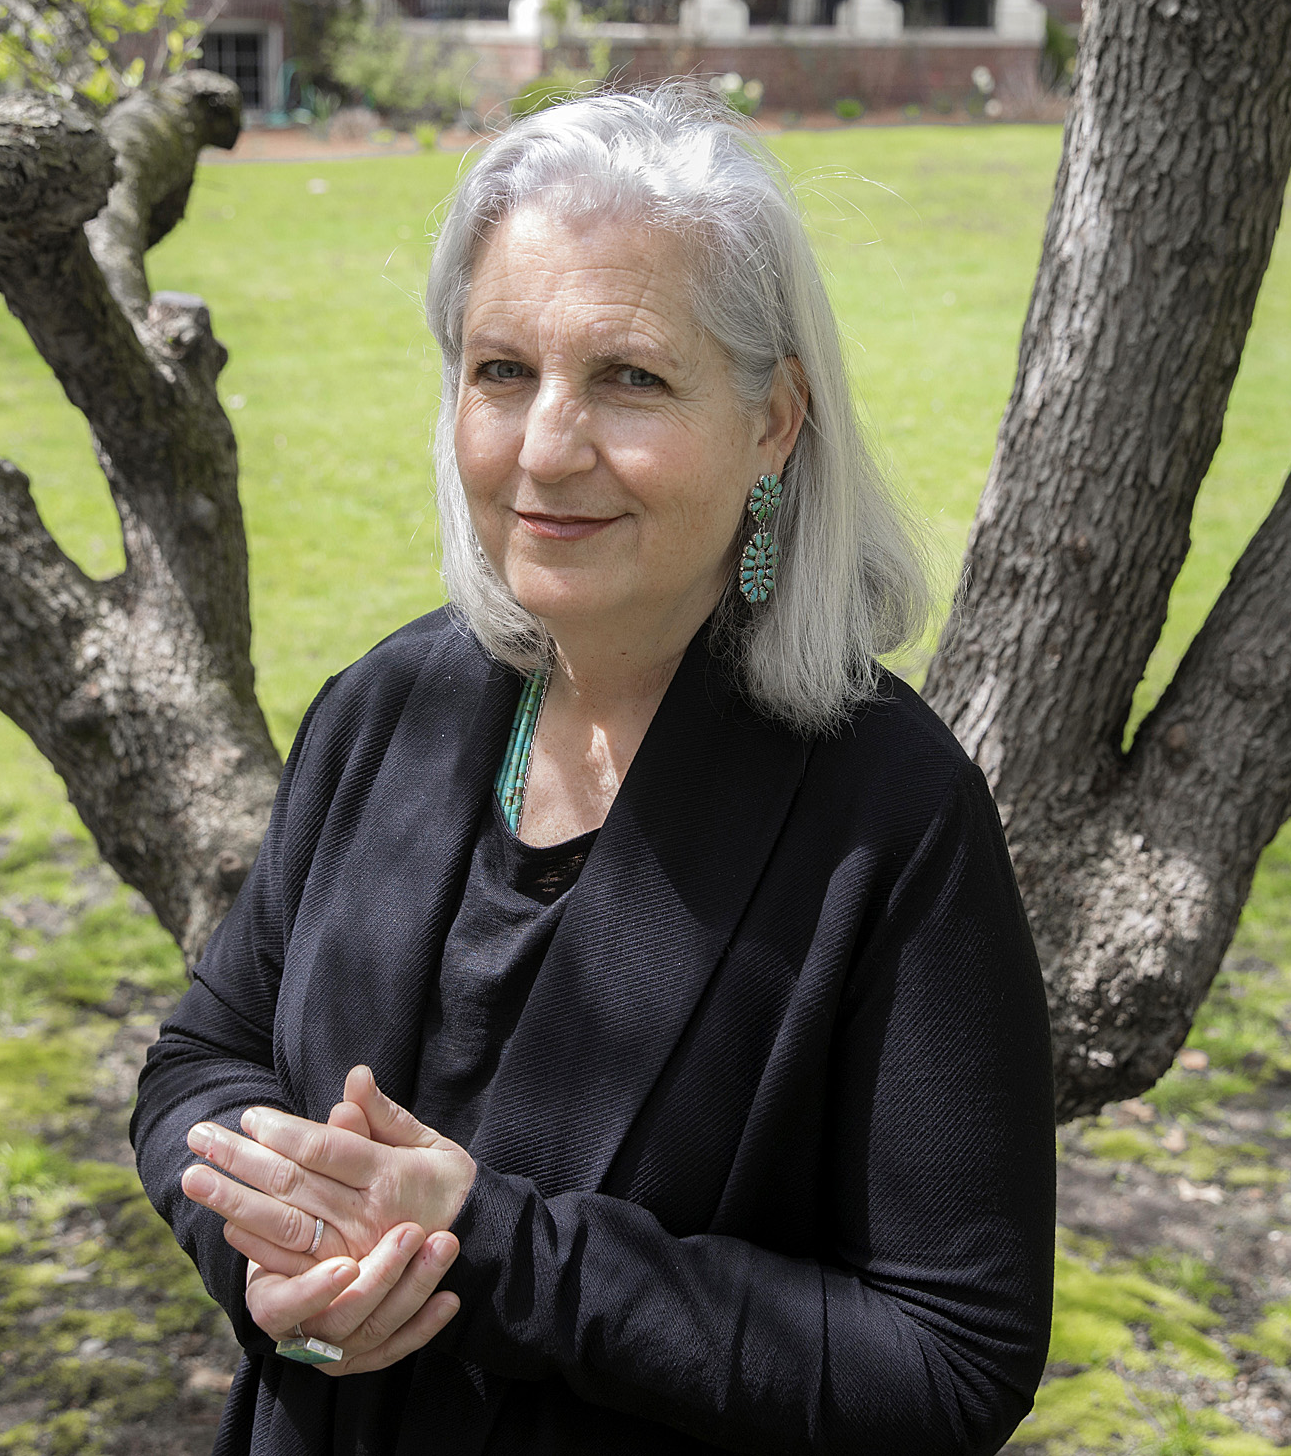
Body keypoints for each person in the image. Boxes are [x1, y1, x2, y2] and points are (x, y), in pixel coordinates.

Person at [132, 84, 1054, 1456]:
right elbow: (202, 1064)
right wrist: (278, 1262)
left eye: (629, 377)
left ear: (774, 424)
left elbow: (949, 1363)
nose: (547, 448)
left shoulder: (888, 819)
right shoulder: (388, 709)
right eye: (503, 370)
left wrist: (493, 1250)